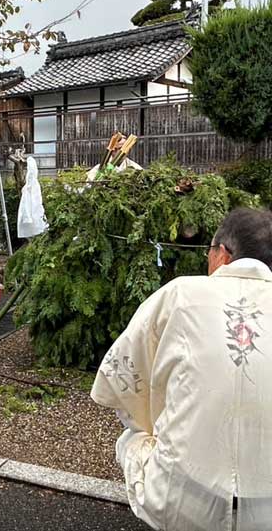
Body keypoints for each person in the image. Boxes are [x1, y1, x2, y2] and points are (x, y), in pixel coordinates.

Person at [90, 207, 272, 531]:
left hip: (185, 500)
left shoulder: (182, 293)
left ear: (222, 254)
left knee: (132, 437)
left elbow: (122, 379)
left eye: (209, 253)